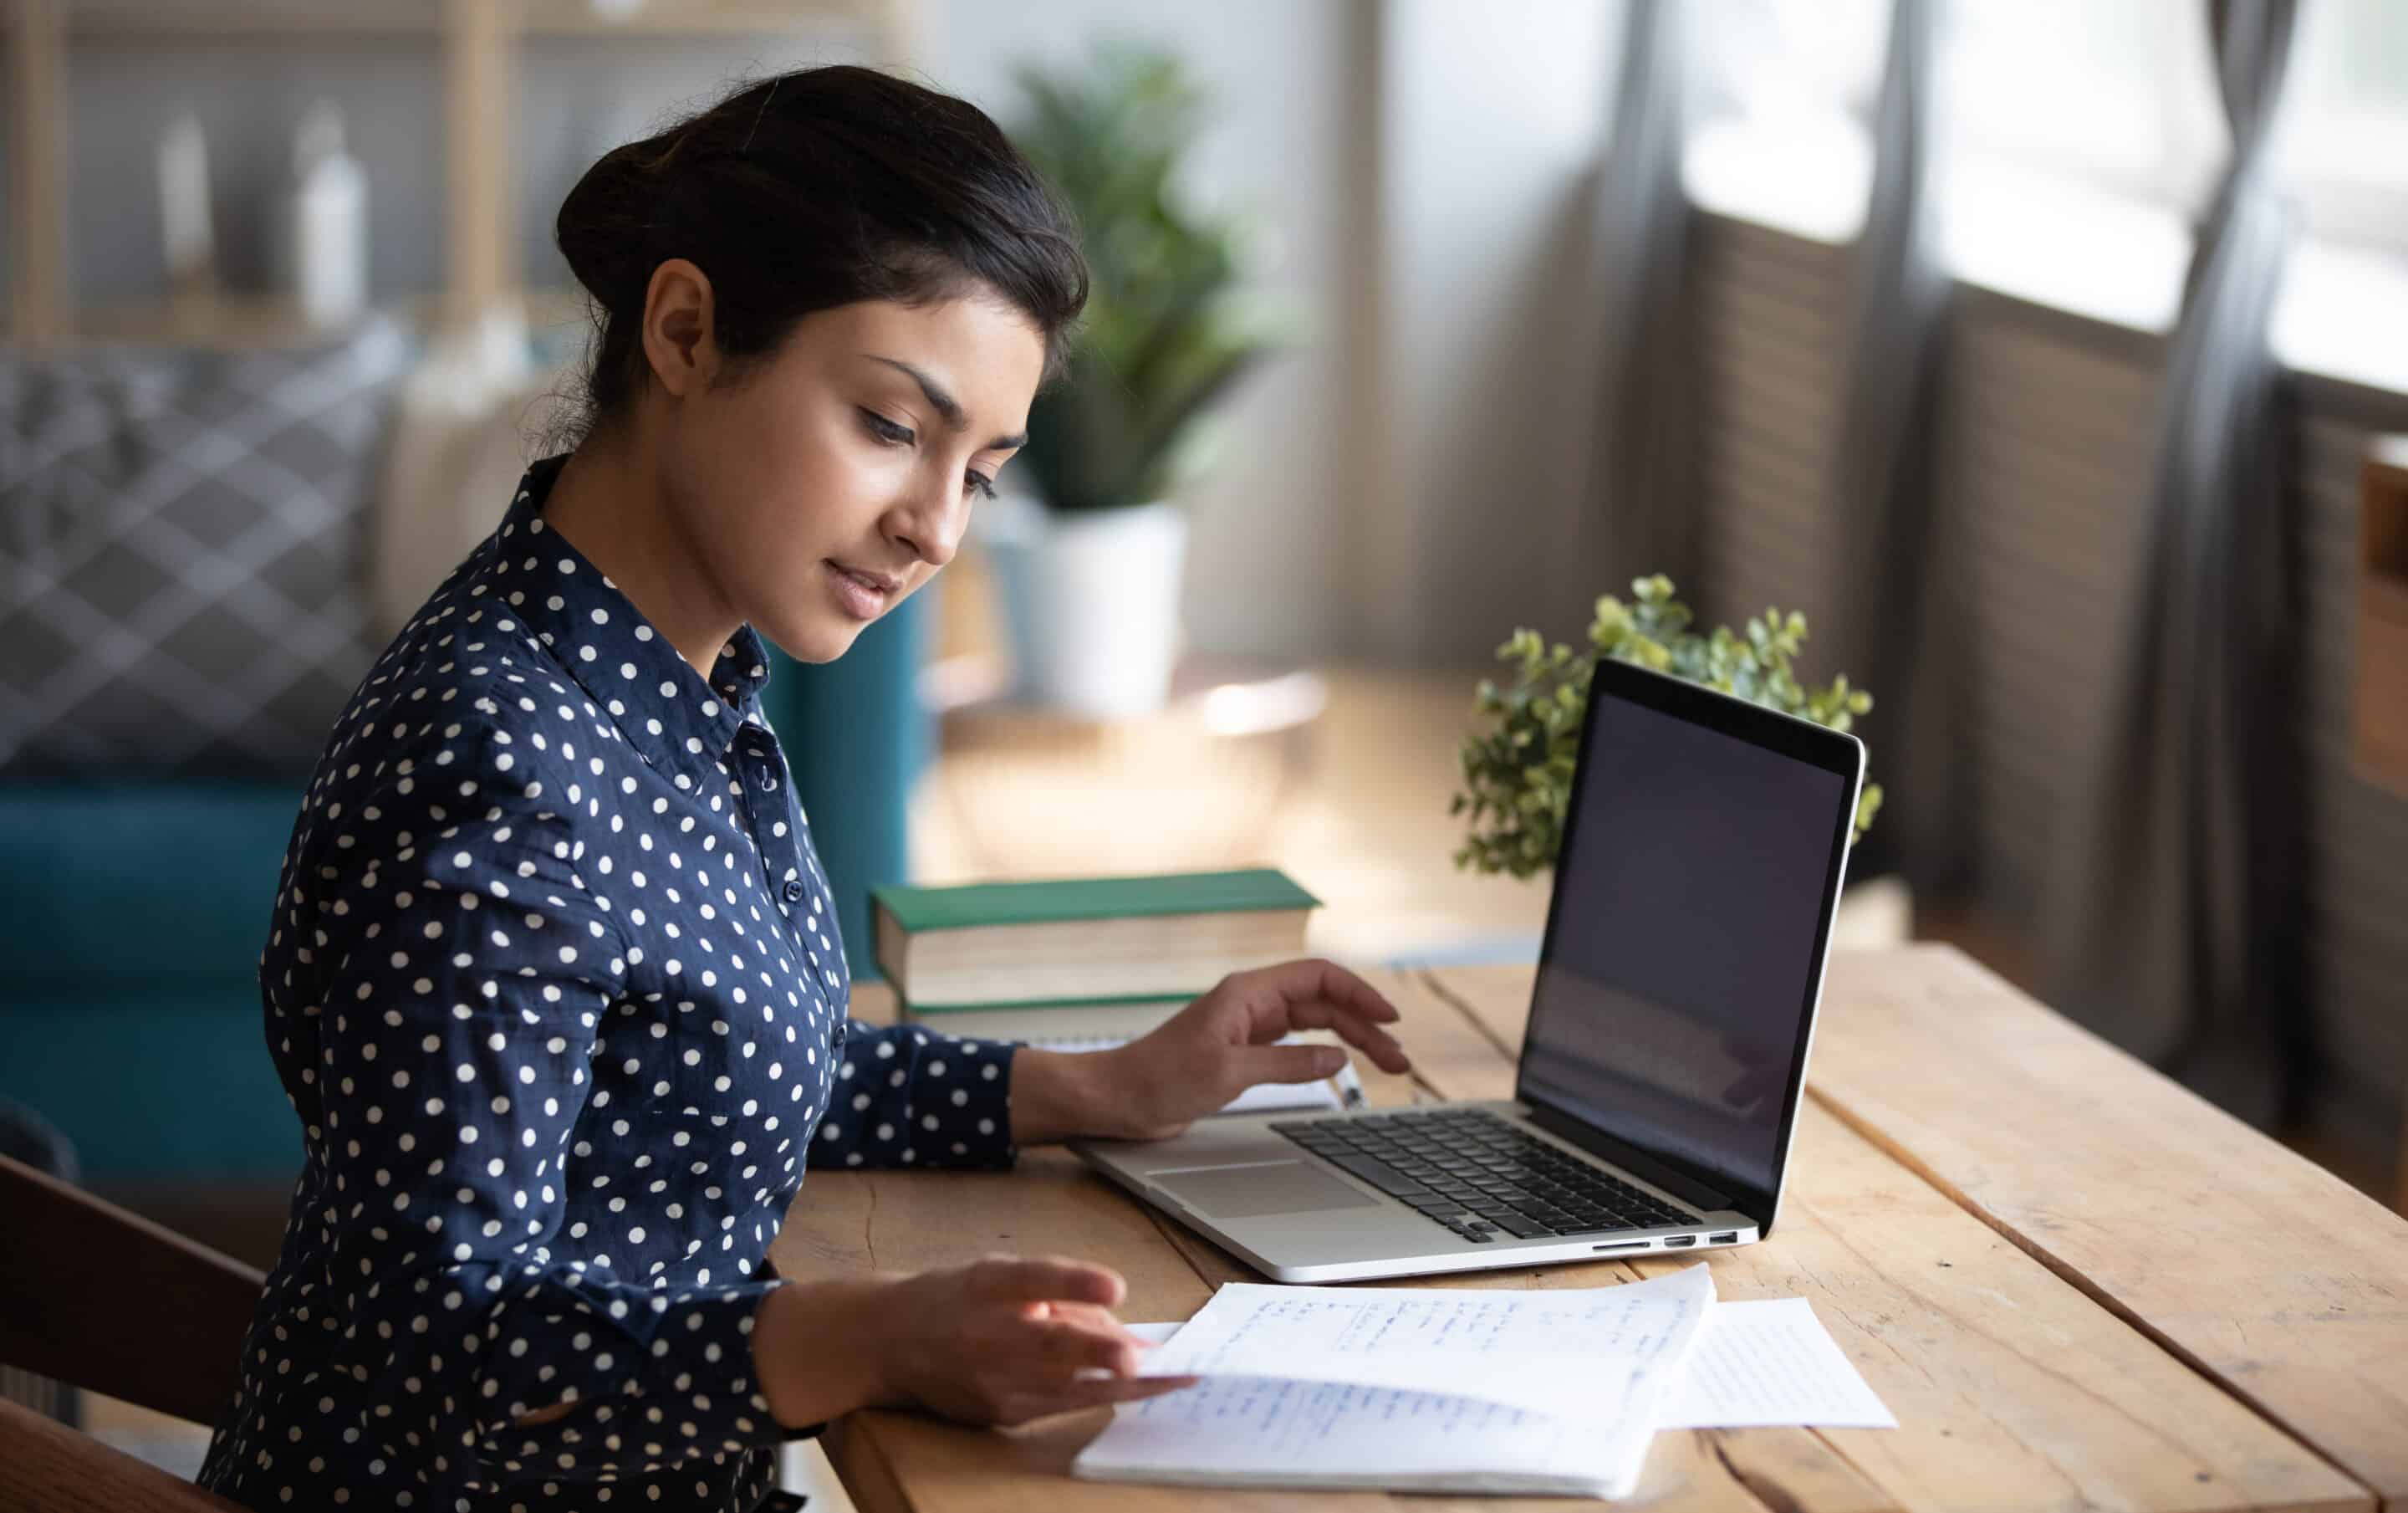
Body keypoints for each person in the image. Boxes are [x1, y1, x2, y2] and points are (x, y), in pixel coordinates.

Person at [197, 64, 1411, 1513]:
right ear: (687, 331)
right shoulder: (503, 757)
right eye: (895, 427)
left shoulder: (670, 684)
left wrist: (1110, 1082)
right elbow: (442, 1354)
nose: (935, 527)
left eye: (983, 472)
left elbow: (706, 1075)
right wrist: (873, 1332)